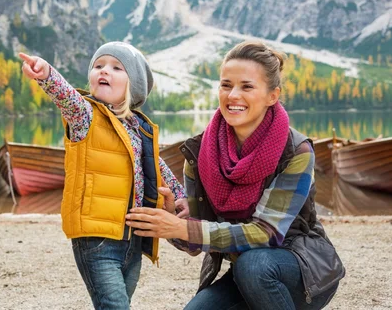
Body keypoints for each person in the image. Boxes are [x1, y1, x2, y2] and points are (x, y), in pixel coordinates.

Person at [125, 41, 345, 309]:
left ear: (272, 96)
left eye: (247, 86)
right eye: (226, 85)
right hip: (244, 273)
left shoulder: (296, 151)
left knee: (255, 266)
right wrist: (172, 219)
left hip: (301, 271)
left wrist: (185, 227)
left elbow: (266, 234)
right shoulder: (199, 152)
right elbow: (195, 242)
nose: (233, 96)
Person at [19, 41, 186, 310]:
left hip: (133, 238)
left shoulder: (140, 129)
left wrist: (182, 199)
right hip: (96, 238)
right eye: (98, 66)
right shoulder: (85, 115)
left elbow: (160, 169)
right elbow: (67, 98)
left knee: (118, 304)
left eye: (116, 67)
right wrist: (47, 75)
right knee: (115, 305)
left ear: (134, 86)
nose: (103, 71)